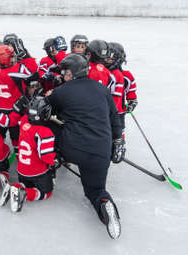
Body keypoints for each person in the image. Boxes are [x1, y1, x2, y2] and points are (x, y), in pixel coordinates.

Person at [46, 54, 124, 239]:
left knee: (46, 127)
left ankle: (52, 163)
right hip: (101, 151)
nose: (63, 75)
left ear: (71, 73)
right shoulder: (102, 89)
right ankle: (104, 204)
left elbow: (44, 111)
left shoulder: (62, 91)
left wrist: (50, 95)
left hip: (73, 149)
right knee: (95, 190)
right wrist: (118, 141)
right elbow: (115, 118)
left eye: (65, 72)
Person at [0, 96, 57, 213]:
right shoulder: (45, 132)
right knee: (46, 192)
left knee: (28, 184)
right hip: (37, 173)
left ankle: (16, 187)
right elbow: (46, 156)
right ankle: (23, 192)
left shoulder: (24, 121)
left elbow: (13, 120)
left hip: (22, 171)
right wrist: (55, 160)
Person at [0, 44, 32, 153]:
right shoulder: (16, 70)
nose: (14, 58)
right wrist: (26, 55)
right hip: (14, 109)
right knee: (16, 133)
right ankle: (18, 151)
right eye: (11, 57)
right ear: (3, 59)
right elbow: (32, 71)